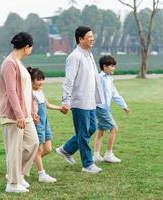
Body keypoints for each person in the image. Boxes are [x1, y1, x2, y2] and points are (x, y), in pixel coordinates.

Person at [55, 26, 105, 174]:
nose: (92, 38)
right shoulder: (74, 57)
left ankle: (66, 149)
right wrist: (66, 100)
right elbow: (68, 80)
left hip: (90, 101)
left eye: (92, 36)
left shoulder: (88, 54)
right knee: (83, 133)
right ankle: (87, 164)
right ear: (80, 39)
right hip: (79, 102)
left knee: (91, 129)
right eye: (89, 36)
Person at [0, 32, 39, 193]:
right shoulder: (9, 63)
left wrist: (30, 111)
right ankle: (13, 184)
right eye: (31, 47)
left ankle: (18, 175)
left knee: (33, 143)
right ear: (27, 47)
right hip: (13, 115)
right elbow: (11, 91)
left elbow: (25, 90)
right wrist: (19, 114)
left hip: (25, 114)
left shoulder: (19, 63)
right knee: (14, 149)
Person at [27, 67, 65, 183]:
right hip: (37, 124)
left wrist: (60, 108)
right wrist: (33, 117)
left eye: (42, 79)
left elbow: (47, 105)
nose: (41, 82)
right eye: (38, 80)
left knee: (48, 149)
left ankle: (26, 165)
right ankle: (41, 174)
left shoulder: (40, 91)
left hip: (45, 123)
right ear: (31, 80)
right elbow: (28, 109)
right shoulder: (30, 93)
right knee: (38, 150)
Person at [93, 55, 130, 163]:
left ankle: (96, 155)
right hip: (100, 107)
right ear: (104, 66)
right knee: (114, 128)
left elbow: (114, 93)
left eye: (114, 66)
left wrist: (124, 106)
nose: (113, 68)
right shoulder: (99, 78)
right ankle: (109, 154)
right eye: (111, 66)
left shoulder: (110, 78)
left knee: (101, 130)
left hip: (105, 108)